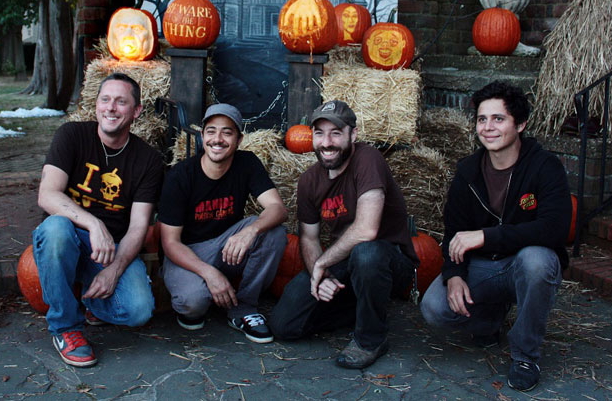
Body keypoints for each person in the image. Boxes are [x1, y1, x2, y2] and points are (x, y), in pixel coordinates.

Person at [420, 81, 572, 392]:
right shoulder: (468, 172)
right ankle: (489, 318)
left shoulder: (545, 167)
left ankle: (526, 355)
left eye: (498, 119)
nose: (488, 128)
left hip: (523, 264)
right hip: (484, 269)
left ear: (520, 124)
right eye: (481, 119)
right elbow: (454, 230)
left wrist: (486, 237)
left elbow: (554, 229)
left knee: (537, 261)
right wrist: (454, 275)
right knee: (433, 307)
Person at [271, 100, 418, 369]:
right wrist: (320, 275)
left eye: (336, 133)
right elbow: (309, 238)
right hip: (348, 263)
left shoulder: (367, 159)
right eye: (319, 133)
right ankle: (362, 308)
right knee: (285, 324)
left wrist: (323, 264)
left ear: (353, 134)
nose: (326, 142)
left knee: (367, 252)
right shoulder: (309, 181)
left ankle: (370, 339)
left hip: (389, 260)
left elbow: (366, 230)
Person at [32, 72, 163, 367]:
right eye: (105, 100)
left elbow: (139, 226)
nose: (111, 108)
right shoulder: (72, 135)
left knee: (138, 311)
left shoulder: (148, 160)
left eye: (121, 102)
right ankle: (66, 328)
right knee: (56, 229)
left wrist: (114, 270)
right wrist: (94, 223)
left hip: (109, 250)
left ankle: (90, 300)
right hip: (66, 237)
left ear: (136, 111)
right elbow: (47, 195)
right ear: (96, 105)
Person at [158, 103, 288, 343]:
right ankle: (198, 288)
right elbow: (170, 243)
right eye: (211, 131)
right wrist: (209, 273)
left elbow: (278, 208)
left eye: (227, 132)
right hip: (188, 252)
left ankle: (244, 307)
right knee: (192, 304)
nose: (218, 139)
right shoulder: (180, 176)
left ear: (238, 139)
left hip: (227, 246)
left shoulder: (246, 163)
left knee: (274, 233)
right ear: (202, 136)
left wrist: (251, 231)